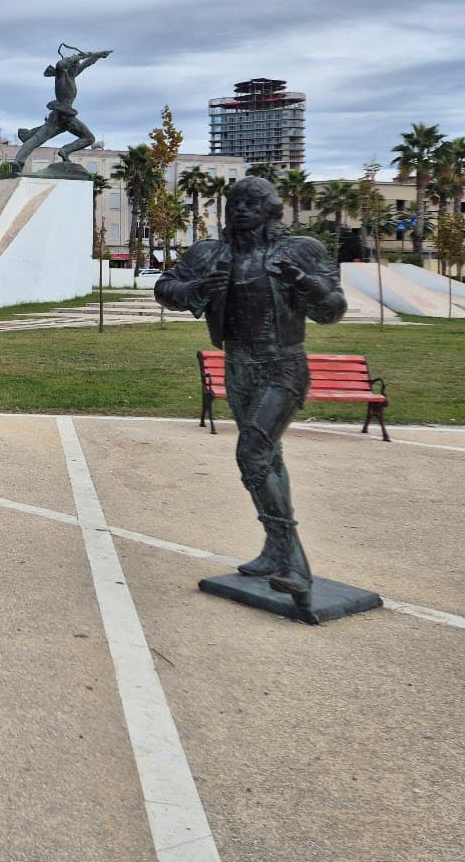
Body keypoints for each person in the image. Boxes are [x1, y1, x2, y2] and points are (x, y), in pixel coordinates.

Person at [154, 177, 346, 611]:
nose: (241, 210)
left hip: (283, 365)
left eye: (251, 203)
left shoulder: (300, 251)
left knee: (252, 453)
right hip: (238, 365)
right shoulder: (211, 252)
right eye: (235, 203)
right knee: (269, 458)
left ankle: (293, 561)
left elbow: (332, 309)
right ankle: (275, 552)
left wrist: (303, 283)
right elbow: (166, 286)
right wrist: (196, 291)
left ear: (271, 209)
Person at [10, 45, 109, 173]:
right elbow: (60, 64)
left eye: (77, 67)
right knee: (38, 138)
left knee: (89, 138)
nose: (77, 68)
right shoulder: (61, 76)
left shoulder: (72, 76)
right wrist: (75, 57)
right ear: (70, 66)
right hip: (58, 116)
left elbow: (87, 64)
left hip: (68, 117)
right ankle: (18, 162)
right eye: (74, 66)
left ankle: (65, 151)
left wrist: (99, 54)